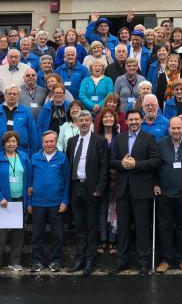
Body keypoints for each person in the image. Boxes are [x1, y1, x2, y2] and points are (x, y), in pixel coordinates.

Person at [108, 108, 161, 275]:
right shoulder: (119, 138)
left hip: (142, 189)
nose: (133, 122)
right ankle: (121, 261)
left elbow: (155, 161)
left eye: (136, 119)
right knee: (122, 227)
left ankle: (143, 262)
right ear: (126, 122)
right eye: (131, 120)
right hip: (123, 189)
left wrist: (136, 165)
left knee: (142, 227)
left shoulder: (149, 138)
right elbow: (111, 161)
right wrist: (122, 164)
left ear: (141, 120)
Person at [65, 110, 108, 275]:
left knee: (91, 225)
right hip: (75, 187)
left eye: (86, 120)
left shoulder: (99, 141)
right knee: (79, 225)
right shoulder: (71, 141)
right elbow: (69, 164)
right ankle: (79, 259)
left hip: (92, 188)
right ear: (76, 122)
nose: (83, 122)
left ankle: (90, 260)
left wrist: (99, 189)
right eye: (80, 120)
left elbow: (104, 167)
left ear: (91, 122)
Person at [155, 116, 182, 273]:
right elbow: (154, 166)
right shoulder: (160, 144)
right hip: (164, 193)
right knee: (164, 227)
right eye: (173, 128)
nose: (176, 131)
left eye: (179, 128)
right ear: (169, 128)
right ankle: (166, 259)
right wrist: (155, 183)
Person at [0, 131, 32, 273]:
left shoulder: (24, 157)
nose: (11, 144)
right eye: (8, 141)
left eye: (13, 141)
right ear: (4, 144)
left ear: (17, 143)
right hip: (3, 201)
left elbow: (29, 181)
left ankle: (15, 261)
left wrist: (29, 201)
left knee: (18, 232)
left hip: (20, 200)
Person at [95, 107, 120, 254]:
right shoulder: (96, 137)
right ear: (102, 120)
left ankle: (113, 240)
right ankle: (102, 239)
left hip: (116, 179)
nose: (108, 119)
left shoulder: (120, 137)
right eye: (105, 117)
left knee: (114, 210)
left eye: (111, 117)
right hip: (101, 179)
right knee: (102, 210)